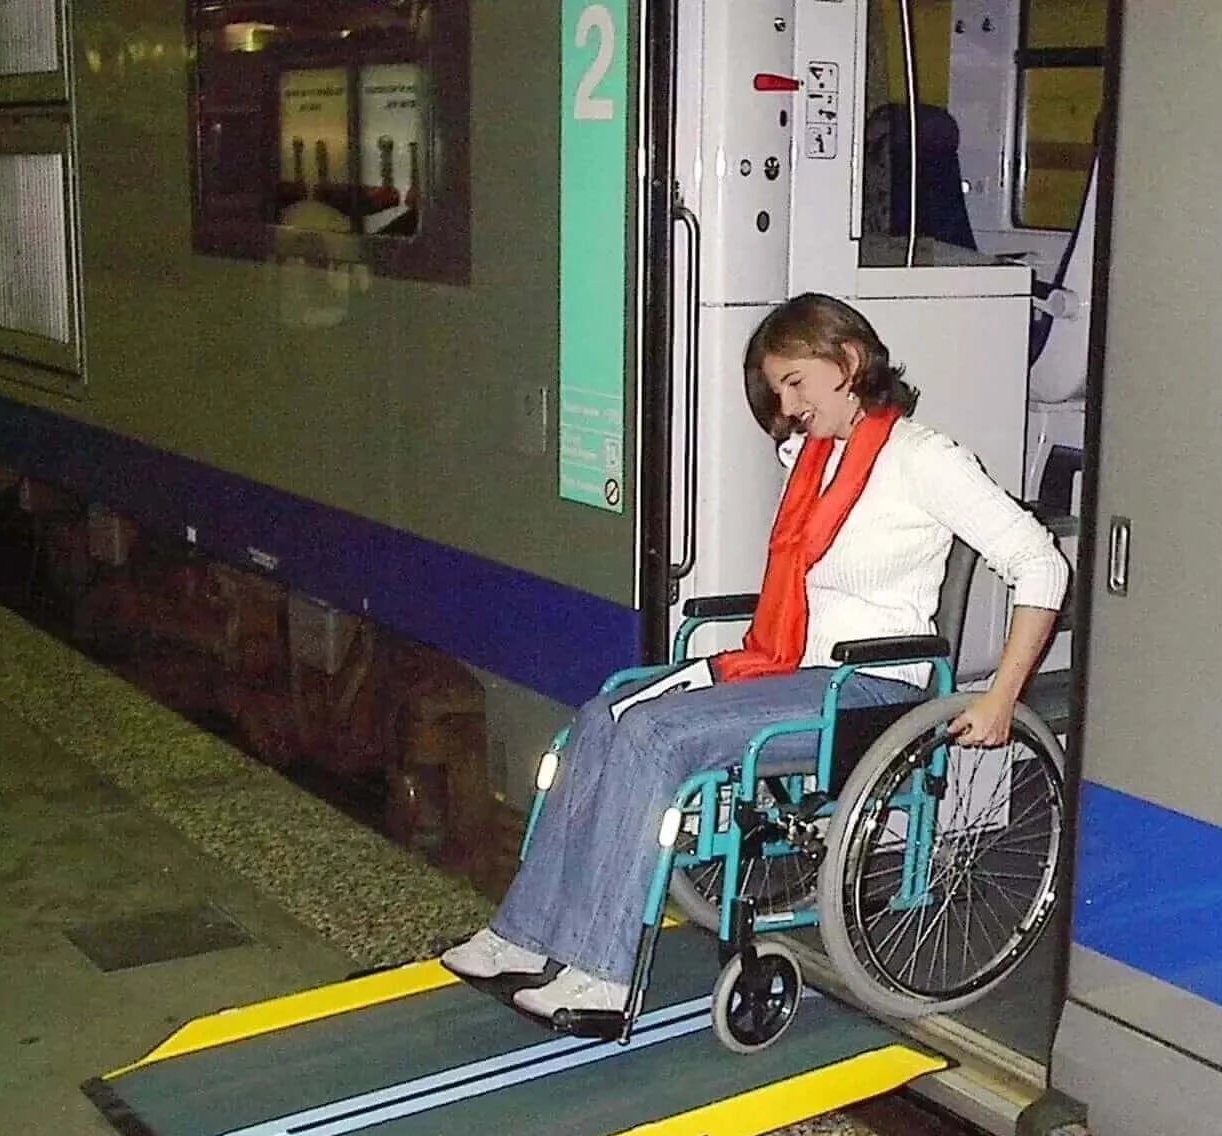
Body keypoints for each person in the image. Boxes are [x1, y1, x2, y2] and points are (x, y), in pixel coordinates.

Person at [439, 293, 1070, 1020]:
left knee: (653, 735)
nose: (788, 404)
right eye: (778, 390)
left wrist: (1001, 698)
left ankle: (600, 973)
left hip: (867, 687)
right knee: (604, 713)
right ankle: (523, 935)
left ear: (850, 362)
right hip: (792, 671)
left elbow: (1040, 566)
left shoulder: (925, 460)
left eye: (797, 382)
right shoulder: (815, 460)